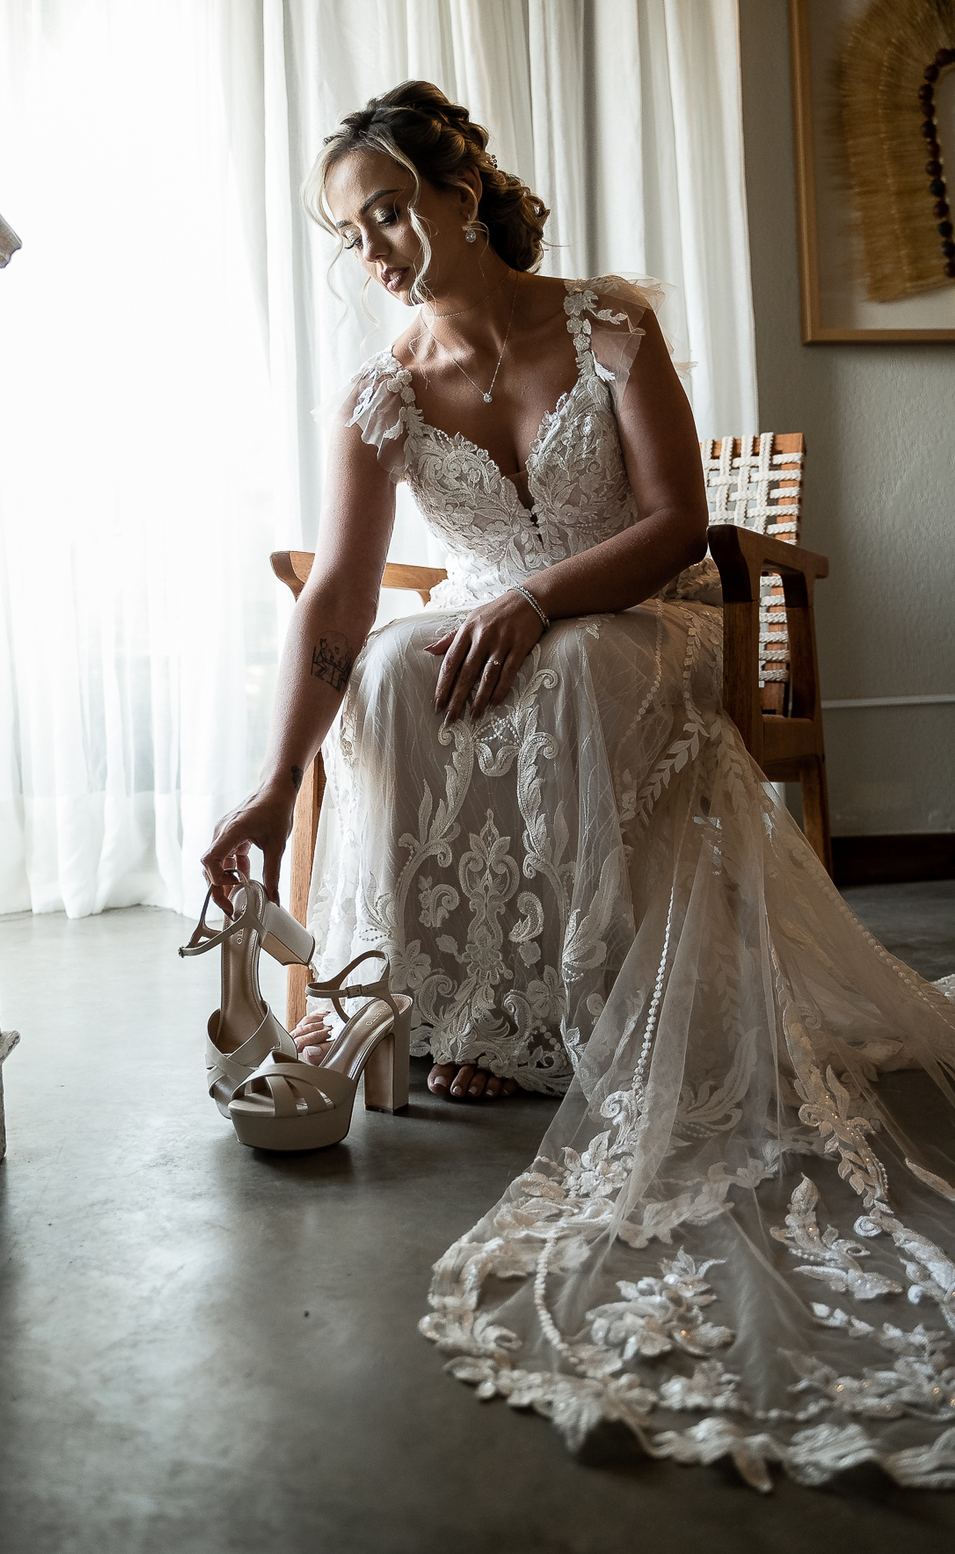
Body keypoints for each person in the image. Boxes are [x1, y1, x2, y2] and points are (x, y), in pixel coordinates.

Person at [202, 82, 955, 1490]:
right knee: (388, 671)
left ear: (460, 191)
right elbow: (344, 599)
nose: (370, 248)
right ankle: (468, 1006)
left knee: (573, 670)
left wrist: (544, 600)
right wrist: (266, 786)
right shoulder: (381, 393)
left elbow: (680, 518)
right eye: (346, 232)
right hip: (500, 621)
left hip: (640, 615)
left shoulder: (604, 326)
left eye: (387, 213)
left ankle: (580, 1003)